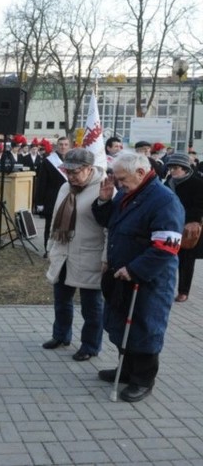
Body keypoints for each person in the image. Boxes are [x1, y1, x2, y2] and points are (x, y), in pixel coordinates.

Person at [92, 152, 184, 402]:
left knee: (145, 326)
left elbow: (166, 247)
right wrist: (103, 202)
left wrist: (135, 269)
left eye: (122, 178)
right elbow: (111, 222)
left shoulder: (164, 200)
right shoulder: (127, 192)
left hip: (149, 279)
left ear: (141, 173)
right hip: (122, 274)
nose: (119, 183)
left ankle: (143, 379)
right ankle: (126, 370)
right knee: (123, 324)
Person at [42, 149, 108, 361]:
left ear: (89, 169)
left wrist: (107, 257)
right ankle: (61, 335)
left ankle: (90, 346)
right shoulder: (65, 187)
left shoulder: (104, 189)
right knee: (61, 300)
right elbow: (55, 220)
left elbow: (109, 228)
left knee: (92, 308)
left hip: (90, 256)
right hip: (63, 253)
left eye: (75, 172)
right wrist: (51, 247)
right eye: (67, 171)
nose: (70, 176)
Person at [163, 152, 203, 302]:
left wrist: (188, 217)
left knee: (186, 261)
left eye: (176, 167)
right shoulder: (169, 182)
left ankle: (183, 291)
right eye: (170, 167)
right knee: (168, 258)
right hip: (170, 226)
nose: (173, 171)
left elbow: (199, 206)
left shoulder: (197, 183)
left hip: (188, 228)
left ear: (185, 168)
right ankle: (167, 287)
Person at [34, 137, 71, 256]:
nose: (63, 147)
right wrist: (39, 202)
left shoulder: (73, 160)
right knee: (50, 226)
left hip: (69, 198)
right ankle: (48, 249)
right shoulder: (49, 161)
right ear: (57, 145)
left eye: (66, 144)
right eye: (61, 144)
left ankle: (63, 249)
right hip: (52, 199)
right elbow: (42, 183)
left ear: (69, 146)